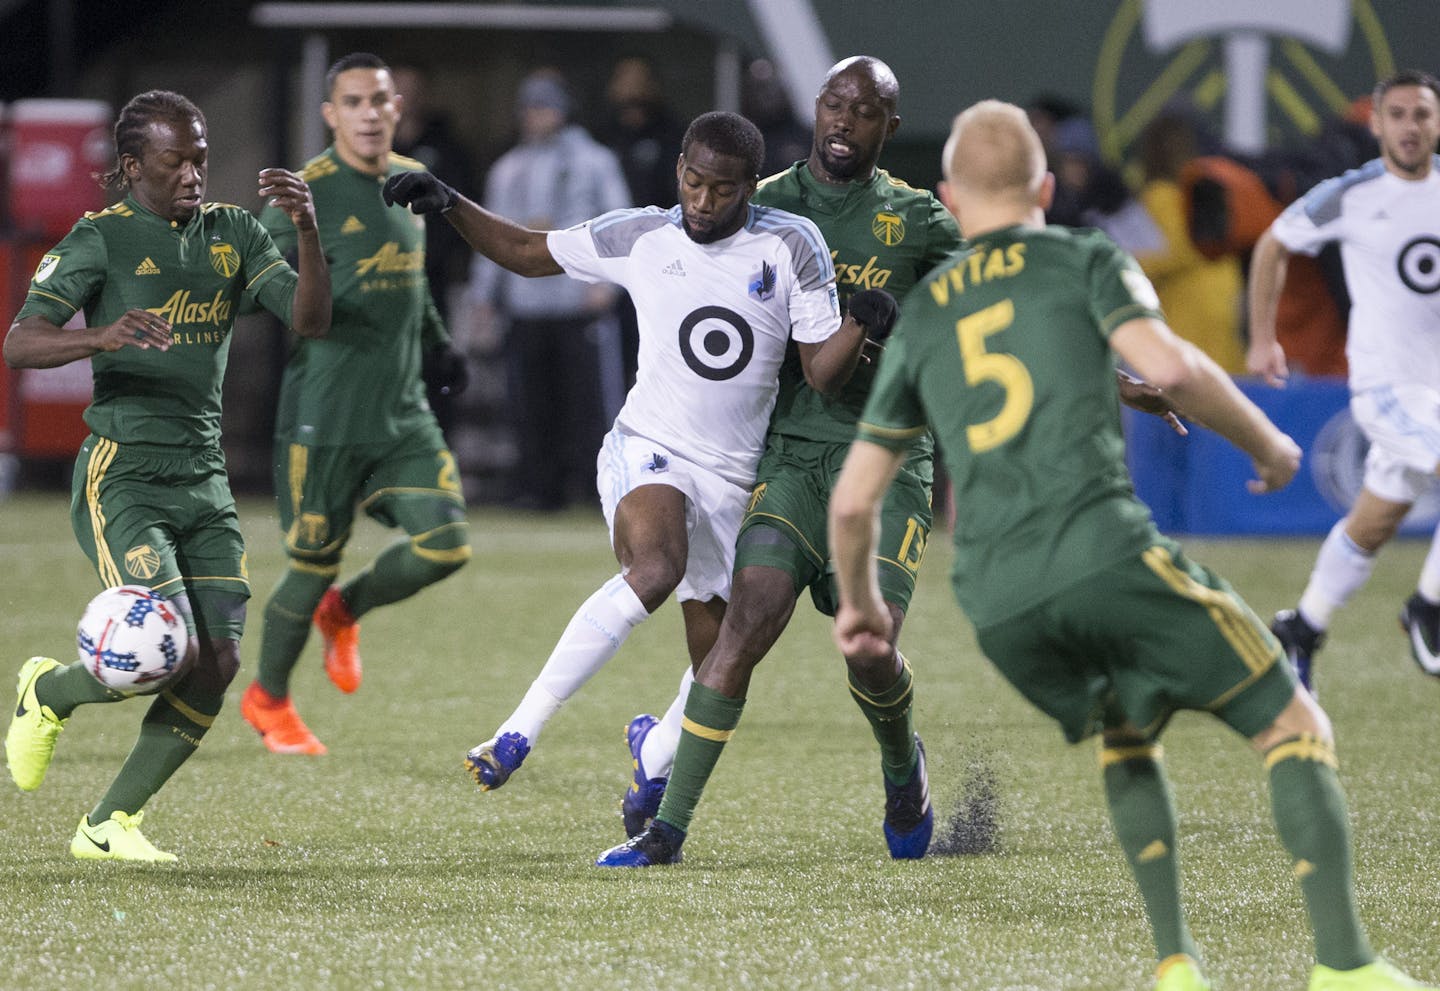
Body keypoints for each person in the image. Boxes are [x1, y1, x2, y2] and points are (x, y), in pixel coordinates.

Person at [829, 98, 1433, 991]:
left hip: (996, 599)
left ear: (951, 198)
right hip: (1097, 551)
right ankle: (1345, 966)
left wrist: (864, 609)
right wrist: (1268, 445)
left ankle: (1175, 966)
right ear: (1043, 186)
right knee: (1293, 722)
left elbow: (852, 504)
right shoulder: (1081, 256)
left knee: (1129, 725)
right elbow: (1177, 367)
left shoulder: (919, 316)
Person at [600, 57, 1187, 870]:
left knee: (867, 648)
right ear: (816, 111)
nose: (845, 121)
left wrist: (1112, 377)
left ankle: (902, 771)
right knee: (743, 624)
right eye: (835, 105)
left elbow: (1006, 309)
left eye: (866, 111)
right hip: (791, 460)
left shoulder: (917, 222)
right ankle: (663, 832)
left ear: (890, 129)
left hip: (887, 466)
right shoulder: (756, 201)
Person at [382, 110, 881, 795]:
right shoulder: (643, 233)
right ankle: (516, 729)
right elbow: (531, 252)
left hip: (736, 480)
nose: (704, 201)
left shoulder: (792, 245)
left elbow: (822, 372)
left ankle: (656, 755)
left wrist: (859, 323)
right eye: (695, 182)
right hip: (649, 448)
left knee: (730, 654)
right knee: (654, 568)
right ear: (679, 169)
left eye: (723, 190)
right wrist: (449, 203)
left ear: (750, 188)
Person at [2, 89, 330, 860]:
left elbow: (309, 319)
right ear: (130, 166)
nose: (192, 174)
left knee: (219, 659)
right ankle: (47, 693)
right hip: (124, 475)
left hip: (203, 479)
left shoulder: (235, 234)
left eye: (201, 158)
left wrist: (309, 231)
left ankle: (108, 824)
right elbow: (20, 343)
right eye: (174, 159)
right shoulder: (101, 239)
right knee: (172, 648)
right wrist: (104, 336)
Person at [238, 52, 472, 756]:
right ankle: (268, 698)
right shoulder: (303, 193)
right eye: (354, 102)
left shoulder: (411, 183)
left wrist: (439, 339)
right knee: (310, 564)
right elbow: (256, 280)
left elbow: (412, 281)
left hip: (403, 416)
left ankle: (346, 611)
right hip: (326, 417)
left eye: (380, 100)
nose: (369, 113)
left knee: (446, 545)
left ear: (396, 107)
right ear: (330, 114)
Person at [1247, 69, 1440, 693]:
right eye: (1400, 114)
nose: (1411, 126)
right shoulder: (1351, 195)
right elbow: (1273, 244)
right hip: (1389, 389)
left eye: (1423, 114)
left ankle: (1302, 626)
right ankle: (1429, 607)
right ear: (1377, 124)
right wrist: (1260, 337)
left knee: (1375, 520)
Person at [464, 68, 632, 510]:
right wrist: (484, 297)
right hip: (525, 303)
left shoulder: (595, 160)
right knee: (530, 404)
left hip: (577, 301)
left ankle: (592, 487)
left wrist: (608, 285)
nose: (533, 117)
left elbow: (618, 222)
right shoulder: (509, 168)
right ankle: (539, 487)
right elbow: (490, 236)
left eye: (542, 107)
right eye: (528, 108)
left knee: (587, 403)